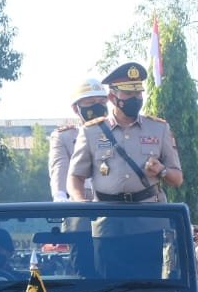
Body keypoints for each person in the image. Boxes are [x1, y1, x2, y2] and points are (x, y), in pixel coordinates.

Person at [67, 62, 183, 203]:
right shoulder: (90, 131)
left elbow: (177, 179)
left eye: (138, 93)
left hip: (149, 209)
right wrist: (80, 201)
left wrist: (162, 170)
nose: (135, 98)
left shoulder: (159, 128)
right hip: (106, 211)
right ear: (112, 97)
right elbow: (75, 176)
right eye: (128, 93)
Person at [50, 79, 107, 201]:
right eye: (91, 103)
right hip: (79, 201)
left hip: (112, 203)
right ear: (76, 109)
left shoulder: (118, 132)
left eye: (102, 102)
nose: (98, 107)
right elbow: (59, 168)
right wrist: (60, 197)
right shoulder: (64, 137)